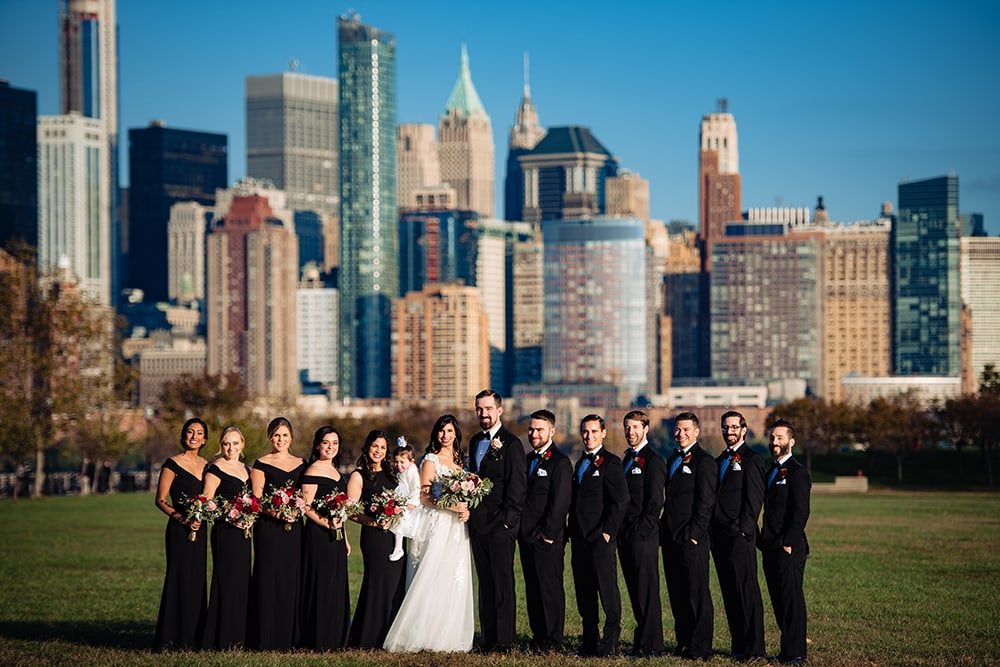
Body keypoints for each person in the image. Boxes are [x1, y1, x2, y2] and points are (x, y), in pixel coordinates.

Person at [383, 415, 475, 652]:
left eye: (450, 431)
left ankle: (449, 636)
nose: (446, 435)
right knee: (432, 573)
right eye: (442, 431)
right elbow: (425, 497)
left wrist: (465, 511)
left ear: (456, 434)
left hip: (457, 527)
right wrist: (453, 507)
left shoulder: (461, 461)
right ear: (436, 434)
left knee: (455, 577)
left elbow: (464, 496)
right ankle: (422, 634)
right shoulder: (430, 460)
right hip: (438, 524)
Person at [466, 389, 526, 653]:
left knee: (502, 584)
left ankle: (504, 640)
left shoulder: (511, 444)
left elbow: (517, 487)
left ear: (499, 410)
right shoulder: (473, 441)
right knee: (485, 583)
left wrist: (507, 522)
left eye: (488, 408)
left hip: (500, 525)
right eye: (479, 409)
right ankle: (488, 637)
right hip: (477, 524)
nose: (483, 413)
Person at [569, 414, 628, 657]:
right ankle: (590, 642)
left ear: (603, 433)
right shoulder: (580, 463)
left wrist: (607, 532)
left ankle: (610, 643)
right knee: (584, 594)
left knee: (607, 592)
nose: (589, 436)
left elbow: (621, 500)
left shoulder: (611, 463)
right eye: (585, 431)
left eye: (594, 431)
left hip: (600, 539)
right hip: (580, 539)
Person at [661, 411, 717, 661]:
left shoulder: (705, 462)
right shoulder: (672, 459)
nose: (680, 434)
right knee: (678, 593)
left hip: (692, 539)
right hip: (671, 537)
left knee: (697, 594)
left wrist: (694, 534)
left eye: (686, 430)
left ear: (696, 432)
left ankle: (700, 647)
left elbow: (706, 503)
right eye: (677, 429)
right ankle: (683, 642)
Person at [712, 410, 767, 662]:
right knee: (729, 592)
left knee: (747, 592)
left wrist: (743, 529)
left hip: (740, 536)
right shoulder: (719, 459)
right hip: (719, 537)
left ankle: (755, 649)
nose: (729, 431)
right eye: (725, 427)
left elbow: (754, 499)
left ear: (744, 430)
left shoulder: (752, 459)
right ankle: (739, 646)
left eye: (734, 427)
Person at [249, 416, 307, 651]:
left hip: (294, 529)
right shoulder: (261, 464)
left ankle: (290, 636)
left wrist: (295, 510)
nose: (280, 439)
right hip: (269, 528)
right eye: (276, 435)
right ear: (269, 437)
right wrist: (277, 513)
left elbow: (306, 496)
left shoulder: (302, 463)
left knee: (291, 578)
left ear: (291, 437)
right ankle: (265, 636)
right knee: (268, 577)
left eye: (284, 435)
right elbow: (256, 501)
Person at [153, 417, 210, 651]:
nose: (194, 436)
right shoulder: (172, 464)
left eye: (198, 433)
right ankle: (171, 638)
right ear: (183, 436)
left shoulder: (208, 466)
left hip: (201, 529)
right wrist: (182, 519)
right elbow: (160, 500)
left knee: (197, 581)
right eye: (190, 432)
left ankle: (194, 638)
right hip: (179, 530)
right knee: (178, 580)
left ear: (205, 439)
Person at [347, 429, 407, 649]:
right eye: (375, 446)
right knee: (377, 583)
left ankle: (392, 635)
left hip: (396, 536)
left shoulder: (394, 474)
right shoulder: (358, 475)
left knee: (395, 583)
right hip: (374, 536)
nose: (378, 451)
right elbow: (351, 511)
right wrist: (374, 522)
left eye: (382, 447)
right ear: (367, 448)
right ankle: (369, 636)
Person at [518, 409, 572, 653]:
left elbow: (560, 502)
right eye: (531, 429)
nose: (534, 433)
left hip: (548, 538)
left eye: (539, 429)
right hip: (527, 536)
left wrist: (548, 534)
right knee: (533, 589)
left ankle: (552, 641)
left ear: (552, 431)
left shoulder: (560, 462)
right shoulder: (528, 459)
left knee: (550, 590)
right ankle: (538, 637)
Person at [759, 419, 811, 666]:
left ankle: (797, 653)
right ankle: (785, 651)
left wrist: (788, 542)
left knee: (792, 601)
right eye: (772, 438)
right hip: (770, 545)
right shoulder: (771, 470)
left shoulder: (798, 472)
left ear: (791, 441)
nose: (774, 442)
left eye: (779, 438)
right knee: (778, 600)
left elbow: (801, 511)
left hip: (789, 546)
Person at [299, 425, 352, 651]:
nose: (330, 447)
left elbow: (340, 510)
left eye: (335, 443)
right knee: (322, 584)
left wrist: (346, 538)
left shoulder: (335, 470)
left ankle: (335, 635)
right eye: (326, 443)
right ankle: (319, 638)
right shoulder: (312, 471)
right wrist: (326, 523)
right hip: (319, 535)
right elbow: (305, 507)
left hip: (336, 536)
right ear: (317, 445)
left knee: (335, 584)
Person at [618, 410, 666, 657]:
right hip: (625, 535)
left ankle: (653, 645)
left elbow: (655, 500)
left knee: (647, 591)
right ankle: (641, 642)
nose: (630, 432)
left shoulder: (654, 460)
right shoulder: (627, 458)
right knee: (635, 590)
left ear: (646, 429)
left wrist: (641, 531)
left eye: (635, 427)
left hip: (643, 536)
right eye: (627, 427)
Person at [199, 426, 252, 650]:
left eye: (234, 443)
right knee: (226, 581)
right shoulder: (215, 469)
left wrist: (250, 518)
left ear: (242, 444)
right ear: (221, 446)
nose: (230, 448)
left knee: (242, 582)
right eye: (226, 444)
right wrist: (230, 516)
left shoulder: (247, 469)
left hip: (244, 533)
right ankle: (221, 637)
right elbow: (205, 502)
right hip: (225, 532)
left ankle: (240, 636)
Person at [387, 439, 422, 562]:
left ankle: (399, 548)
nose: (398, 465)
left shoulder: (412, 471)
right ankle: (398, 547)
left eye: (402, 462)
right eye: (396, 462)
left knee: (401, 522)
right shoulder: (402, 472)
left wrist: (411, 502)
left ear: (411, 461)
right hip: (403, 500)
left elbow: (416, 487)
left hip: (412, 503)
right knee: (397, 521)